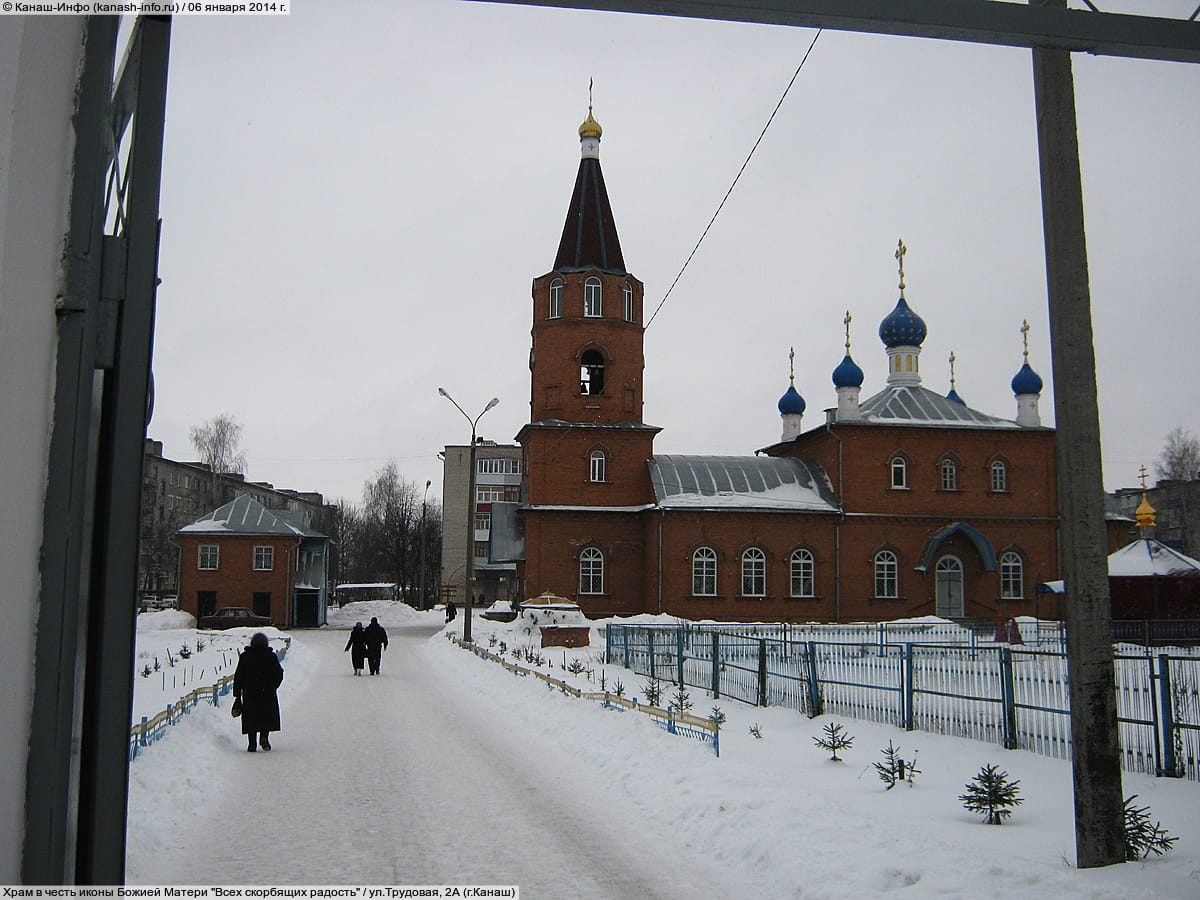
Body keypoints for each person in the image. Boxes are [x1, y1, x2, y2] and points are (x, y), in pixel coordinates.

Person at [233, 632, 284, 752]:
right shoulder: (270, 656)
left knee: (251, 717)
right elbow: (279, 673)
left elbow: (239, 676)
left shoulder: (245, 656)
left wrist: (237, 693)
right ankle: (264, 739)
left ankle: (252, 743)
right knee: (266, 716)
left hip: (250, 693)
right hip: (267, 693)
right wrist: (273, 686)